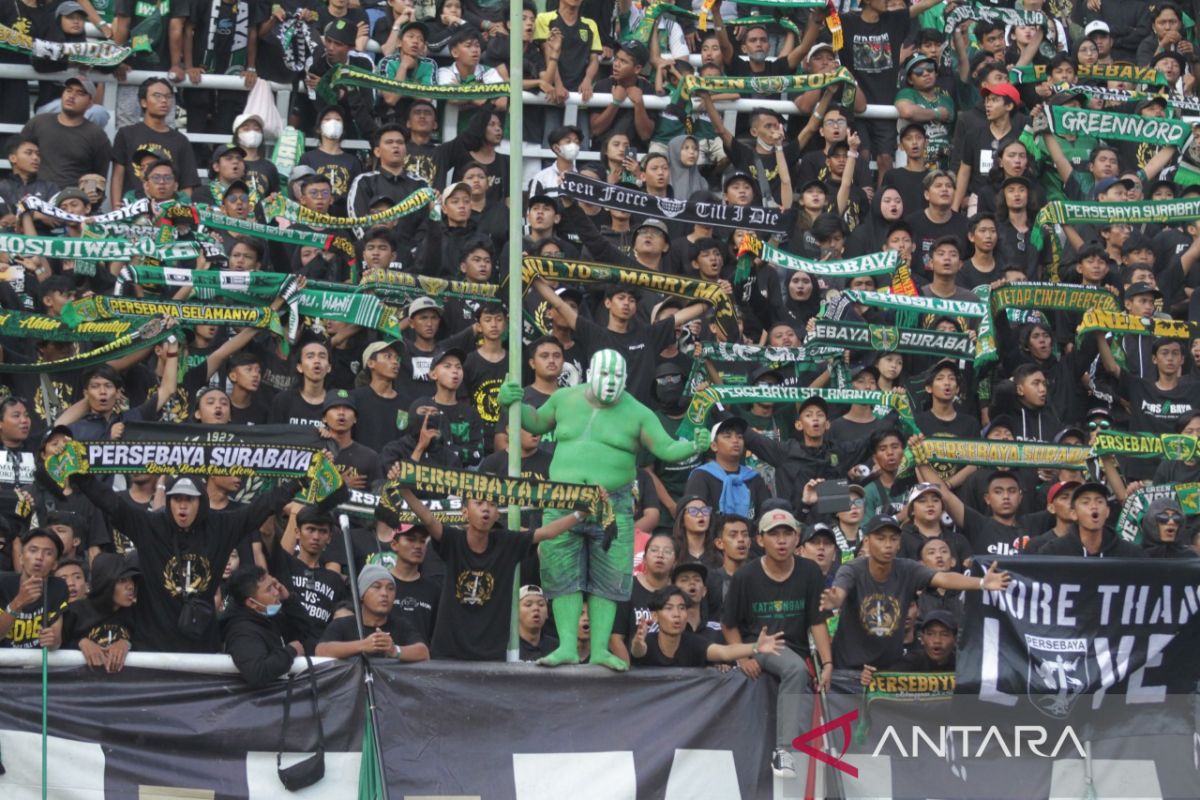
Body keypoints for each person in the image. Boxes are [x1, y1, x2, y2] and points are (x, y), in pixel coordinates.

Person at [499, 349, 710, 671]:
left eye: (617, 378)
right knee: (560, 572)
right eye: (605, 376)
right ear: (590, 374)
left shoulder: (638, 412)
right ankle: (568, 646)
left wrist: (694, 444)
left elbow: (666, 449)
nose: (610, 383)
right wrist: (511, 402)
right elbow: (536, 422)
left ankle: (599, 648)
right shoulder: (564, 398)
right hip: (563, 501)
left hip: (614, 504)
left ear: (625, 380)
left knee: (609, 578)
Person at [395, 480, 586, 662]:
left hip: (492, 655)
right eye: (478, 503)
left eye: (493, 504)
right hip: (448, 652)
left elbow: (547, 533)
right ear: (465, 512)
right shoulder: (453, 540)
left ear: (497, 515)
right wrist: (404, 490)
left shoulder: (507, 543)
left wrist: (580, 514)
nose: (486, 508)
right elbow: (428, 518)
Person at [820, 514, 1010, 685]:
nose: (888, 544)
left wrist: (982, 582)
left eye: (893, 539)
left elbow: (943, 577)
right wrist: (834, 601)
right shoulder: (852, 569)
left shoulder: (907, 569)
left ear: (900, 543)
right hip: (849, 671)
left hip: (891, 672)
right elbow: (839, 593)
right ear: (867, 541)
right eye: (880, 538)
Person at [721, 508, 832, 780]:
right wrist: (743, 657)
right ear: (761, 540)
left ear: (797, 539)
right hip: (758, 645)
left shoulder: (809, 572)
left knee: (797, 667)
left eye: (787, 534)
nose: (781, 541)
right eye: (774, 534)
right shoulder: (745, 576)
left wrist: (827, 663)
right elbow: (728, 623)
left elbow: (817, 621)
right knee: (795, 670)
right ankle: (783, 751)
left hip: (797, 647)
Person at [631, 585, 784, 667]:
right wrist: (638, 644)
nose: (677, 614)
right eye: (669, 608)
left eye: (682, 608)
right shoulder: (647, 641)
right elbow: (638, 652)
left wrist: (756, 646)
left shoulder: (693, 642)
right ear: (655, 616)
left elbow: (725, 652)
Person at [316, 564, 430, 661]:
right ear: (362, 594)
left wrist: (395, 650)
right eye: (377, 587)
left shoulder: (402, 625)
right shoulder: (343, 624)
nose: (385, 593)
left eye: (390, 588)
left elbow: (423, 653)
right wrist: (362, 645)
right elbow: (321, 651)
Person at [221, 566, 305, 687]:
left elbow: (306, 632)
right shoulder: (242, 632)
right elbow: (257, 673)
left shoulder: (268, 616)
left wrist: (288, 600)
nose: (276, 592)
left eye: (274, 585)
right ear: (251, 603)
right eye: (269, 589)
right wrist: (290, 652)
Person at [62, 553, 138, 672]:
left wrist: (126, 643)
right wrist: (80, 643)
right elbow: (53, 646)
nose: (130, 586)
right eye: (122, 580)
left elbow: (147, 642)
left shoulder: (134, 612)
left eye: (131, 579)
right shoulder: (75, 611)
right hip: (79, 686)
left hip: (124, 687)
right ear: (105, 583)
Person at [0, 527, 67, 649]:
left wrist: (52, 641)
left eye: (48, 553)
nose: (39, 557)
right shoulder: (3, 583)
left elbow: (56, 640)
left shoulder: (59, 587)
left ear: (55, 564)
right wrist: (17, 602)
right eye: (33, 550)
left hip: (37, 665)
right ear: (20, 558)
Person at [517, 584, 556, 661]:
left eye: (541, 604)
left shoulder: (556, 647)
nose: (536, 608)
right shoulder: (508, 647)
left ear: (547, 613)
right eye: (528, 605)